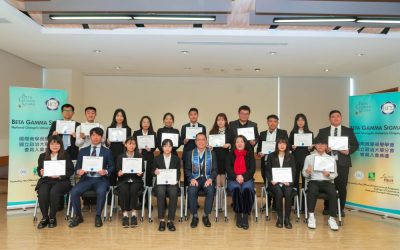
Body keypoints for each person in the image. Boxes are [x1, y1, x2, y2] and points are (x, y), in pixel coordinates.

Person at [69, 127, 114, 228]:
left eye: (98, 135)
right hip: (87, 178)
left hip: (100, 179)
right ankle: (78, 216)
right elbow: (77, 167)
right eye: (93, 135)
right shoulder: (83, 151)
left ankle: (98, 216)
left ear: (101, 137)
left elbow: (112, 167)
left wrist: (105, 171)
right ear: (90, 137)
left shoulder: (107, 152)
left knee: (101, 192)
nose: (96, 137)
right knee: (74, 192)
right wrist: (79, 171)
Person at [316, 110, 359, 216]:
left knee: (341, 187)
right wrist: (324, 148)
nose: (335, 118)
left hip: (342, 162)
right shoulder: (323, 131)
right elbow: (316, 143)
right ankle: (327, 208)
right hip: (327, 162)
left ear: (341, 118)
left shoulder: (348, 131)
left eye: (338, 116)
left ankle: (340, 209)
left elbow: (355, 145)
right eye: (333, 117)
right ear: (329, 119)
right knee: (328, 185)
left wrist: (348, 151)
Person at [35, 136, 74, 229]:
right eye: (52, 143)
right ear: (49, 145)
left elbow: (70, 170)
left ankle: (52, 217)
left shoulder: (66, 155)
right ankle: (45, 217)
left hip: (61, 181)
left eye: (57, 143)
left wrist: (60, 175)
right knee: (43, 192)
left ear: (61, 145)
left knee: (54, 192)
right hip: (47, 180)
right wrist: (41, 172)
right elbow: (39, 169)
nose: (55, 146)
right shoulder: (42, 156)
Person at [302, 136, 339, 231]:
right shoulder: (309, 157)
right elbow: (304, 173)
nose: (320, 146)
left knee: (333, 194)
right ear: (315, 146)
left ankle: (332, 218)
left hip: (327, 181)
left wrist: (328, 175)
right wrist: (308, 171)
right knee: (312, 191)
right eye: (318, 144)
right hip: (314, 181)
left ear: (326, 146)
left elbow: (335, 174)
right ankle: (311, 216)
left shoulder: (331, 158)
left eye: (323, 144)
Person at [185, 133, 217, 228]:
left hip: (207, 179)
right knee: (191, 190)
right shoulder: (190, 153)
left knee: (211, 190)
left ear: (206, 141)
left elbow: (215, 169)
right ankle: (194, 216)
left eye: (203, 139)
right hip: (195, 179)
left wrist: (211, 178)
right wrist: (191, 179)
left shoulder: (212, 154)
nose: (201, 142)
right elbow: (187, 169)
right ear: (195, 142)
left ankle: (205, 216)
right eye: (198, 140)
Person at [225, 135, 256, 230]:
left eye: (241, 141)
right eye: (237, 142)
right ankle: (238, 215)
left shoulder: (250, 154)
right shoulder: (230, 154)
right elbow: (228, 168)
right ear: (235, 144)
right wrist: (236, 176)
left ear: (245, 143)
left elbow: (252, 169)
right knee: (236, 189)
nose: (239, 143)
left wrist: (243, 176)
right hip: (233, 179)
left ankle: (245, 216)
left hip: (246, 178)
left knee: (247, 189)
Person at [265, 137, 296, 229]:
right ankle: (280, 218)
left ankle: (287, 218)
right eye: (280, 143)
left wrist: (289, 182)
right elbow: (267, 171)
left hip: (287, 182)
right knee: (278, 192)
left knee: (288, 192)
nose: (282, 145)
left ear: (287, 145)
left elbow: (293, 171)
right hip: (275, 183)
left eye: (284, 144)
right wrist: (271, 180)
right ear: (277, 145)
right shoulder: (271, 156)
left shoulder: (291, 156)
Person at [153, 139, 181, 232]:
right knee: (160, 192)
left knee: (173, 192)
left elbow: (178, 172)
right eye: (165, 146)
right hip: (161, 182)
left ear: (172, 147)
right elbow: (152, 171)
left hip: (172, 182)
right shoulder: (157, 158)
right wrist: (155, 172)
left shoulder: (176, 159)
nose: (167, 148)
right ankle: (161, 220)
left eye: (169, 146)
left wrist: (176, 180)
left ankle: (170, 220)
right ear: (162, 147)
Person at [115, 137, 144, 228]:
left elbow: (142, 170)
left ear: (136, 145)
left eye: (134, 144)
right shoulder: (120, 157)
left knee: (133, 189)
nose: (132, 146)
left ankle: (134, 213)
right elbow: (118, 171)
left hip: (136, 180)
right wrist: (119, 173)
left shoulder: (139, 156)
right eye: (130, 143)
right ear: (125, 145)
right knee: (123, 190)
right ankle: (125, 214)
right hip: (124, 180)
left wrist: (140, 173)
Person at [288, 113, 314, 208]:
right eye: (298, 120)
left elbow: (311, 148)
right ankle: (294, 203)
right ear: (296, 122)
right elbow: (288, 146)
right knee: (294, 180)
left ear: (305, 121)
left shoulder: (310, 133)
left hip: (305, 159)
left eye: (302, 120)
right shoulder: (292, 133)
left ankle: (303, 205)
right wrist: (292, 147)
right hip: (294, 158)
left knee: (305, 181)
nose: (300, 122)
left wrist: (311, 147)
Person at [257, 114, 289, 184]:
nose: (272, 123)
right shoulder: (262, 134)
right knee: (266, 179)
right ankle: (268, 193)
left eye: (275, 121)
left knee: (277, 181)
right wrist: (259, 153)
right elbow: (259, 149)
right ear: (267, 122)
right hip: (265, 161)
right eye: (270, 121)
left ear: (278, 123)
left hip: (278, 161)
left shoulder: (283, 133)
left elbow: (287, 146)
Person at [180, 108, 207, 186]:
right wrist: (184, 141)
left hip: (200, 154)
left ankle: (198, 188)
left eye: (195, 114)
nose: (193, 116)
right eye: (191, 114)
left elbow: (204, 140)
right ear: (189, 116)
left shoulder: (202, 127)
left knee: (200, 173)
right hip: (187, 154)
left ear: (197, 115)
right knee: (186, 174)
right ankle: (186, 194)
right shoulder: (184, 127)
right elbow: (181, 140)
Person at [106, 108, 132, 186]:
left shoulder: (128, 129)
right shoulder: (109, 128)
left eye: (121, 116)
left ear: (124, 118)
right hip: (112, 153)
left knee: (123, 174)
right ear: (115, 117)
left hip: (123, 154)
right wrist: (108, 142)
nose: (119, 118)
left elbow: (130, 145)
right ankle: (111, 195)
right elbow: (107, 144)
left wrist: (126, 143)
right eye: (117, 115)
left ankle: (122, 195)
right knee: (112, 174)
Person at [209, 113, 234, 188]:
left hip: (226, 156)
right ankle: (217, 192)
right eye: (218, 120)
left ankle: (223, 192)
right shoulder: (212, 132)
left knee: (223, 174)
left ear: (225, 121)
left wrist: (229, 145)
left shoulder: (230, 132)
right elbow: (210, 145)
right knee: (216, 174)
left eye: (222, 120)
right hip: (215, 156)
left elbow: (234, 144)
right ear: (216, 121)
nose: (220, 122)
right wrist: (210, 147)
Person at [132, 116, 157, 188]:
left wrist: (151, 149)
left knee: (149, 176)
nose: (145, 124)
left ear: (150, 124)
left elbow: (155, 145)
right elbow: (132, 144)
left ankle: (147, 196)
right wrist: (137, 150)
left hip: (149, 157)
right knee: (139, 175)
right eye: (144, 122)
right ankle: (140, 194)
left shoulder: (153, 133)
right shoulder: (136, 133)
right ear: (141, 123)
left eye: (147, 122)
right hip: (139, 157)